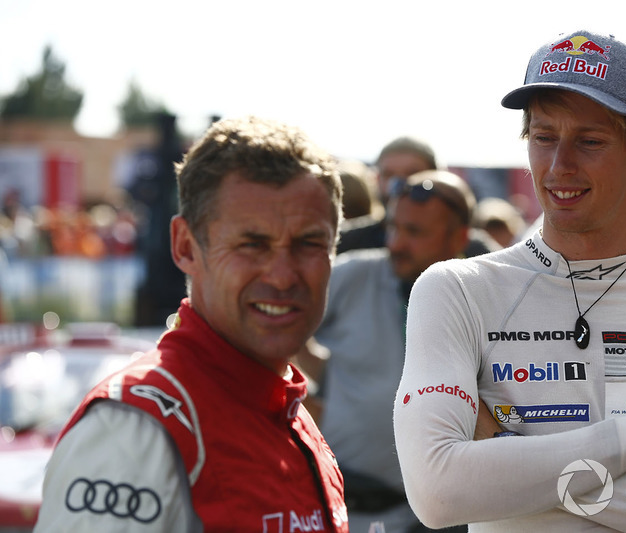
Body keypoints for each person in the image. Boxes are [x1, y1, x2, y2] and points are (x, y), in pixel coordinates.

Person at [393, 29, 626, 532]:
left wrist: (505, 460)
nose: (559, 165)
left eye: (589, 141)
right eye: (544, 137)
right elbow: (437, 494)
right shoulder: (456, 290)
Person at [35, 117, 349, 532]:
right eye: (252, 244)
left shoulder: (291, 414)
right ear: (185, 246)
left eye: (309, 243)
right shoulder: (134, 428)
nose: (283, 275)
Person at [301, 170, 473, 533]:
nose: (395, 243)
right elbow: (278, 322)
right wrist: (307, 400)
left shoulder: (476, 291)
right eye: (393, 226)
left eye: (414, 232)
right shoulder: (354, 275)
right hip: (346, 509)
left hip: (438, 517)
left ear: (458, 237)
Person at [337, 136, 499, 257]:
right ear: (377, 180)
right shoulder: (347, 243)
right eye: (389, 175)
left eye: (413, 174)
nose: (399, 185)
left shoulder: (474, 250)